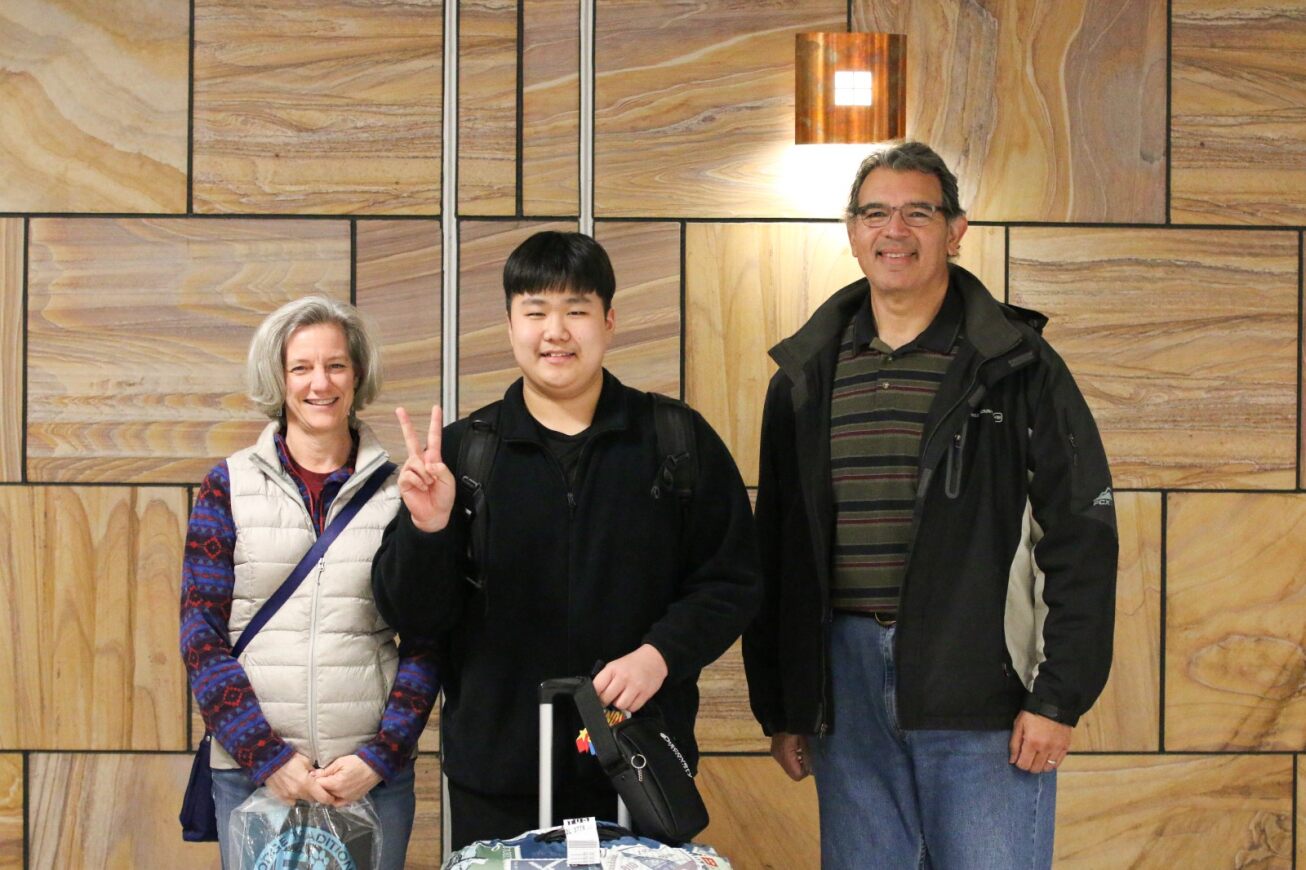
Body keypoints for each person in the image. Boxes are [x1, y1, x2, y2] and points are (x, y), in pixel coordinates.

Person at [742, 141, 1118, 868]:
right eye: (876, 213)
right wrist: (785, 704)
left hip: (985, 688)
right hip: (842, 692)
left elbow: (1080, 536)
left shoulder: (1017, 367)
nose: (896, 231)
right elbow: (777, 548)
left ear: (956, 229)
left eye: (919, 212)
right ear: (852, 231)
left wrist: (1057, 698)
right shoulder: (804, 377)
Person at [371, 230, 761, 848]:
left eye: (576, 311)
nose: (555, 331)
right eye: (536, 311)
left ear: (608, 321)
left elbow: (732, 580)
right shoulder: (466, 453)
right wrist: (429, 527)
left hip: (638, 759)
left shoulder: (673, 439)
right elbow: (415, 615)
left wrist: (660, 654)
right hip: (498, 772)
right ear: (509, 324)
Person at [180, 296, 438, 870]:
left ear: (357, 375)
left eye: (336, 365)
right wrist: (268, 757)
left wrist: (381, 755)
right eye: (301, 368)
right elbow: (201, 635)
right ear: (278, 378)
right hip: (253, 773)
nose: (320, 383)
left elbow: (428, 639)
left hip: (368, 776)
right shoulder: (227, 485)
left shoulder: (403, 492)